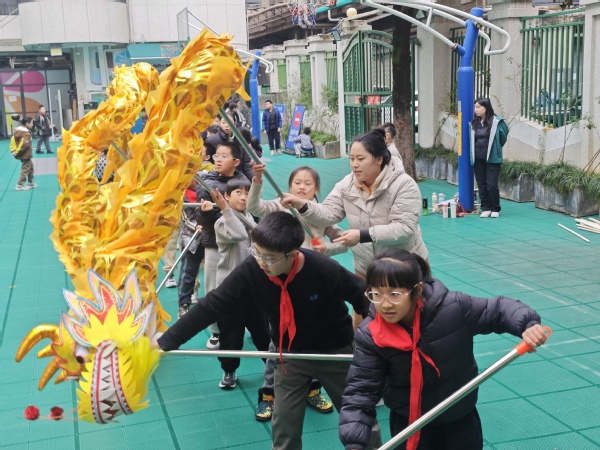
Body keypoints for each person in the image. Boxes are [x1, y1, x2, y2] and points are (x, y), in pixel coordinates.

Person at [154, 212, 370, 450]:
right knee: (284, 428)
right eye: (256, 252)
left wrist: (372, 341)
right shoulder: (253, 268)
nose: (261, 262)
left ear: (293, 254)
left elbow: (364, 298)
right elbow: (213, 304)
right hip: (289, 355)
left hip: (334, 352)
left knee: (359, 422)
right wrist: (167, 340)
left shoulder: (323, 268)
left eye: (269, 258)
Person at [339, 249, 548, 450]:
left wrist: (528, 325)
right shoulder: (372, 334)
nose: (385, 305)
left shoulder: (453, 308)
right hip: (409, 426)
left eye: (394, 294)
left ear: (417, 290)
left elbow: (498, 309)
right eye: (376, 294)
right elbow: (361, 390)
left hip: (459, 418)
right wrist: (354, 442)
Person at [281, 129, 428, 327]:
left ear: (378, 159)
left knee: (411, 319)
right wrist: (302, 205)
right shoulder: (347, 184)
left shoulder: (403, 185)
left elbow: (404, 228)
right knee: (363, 321)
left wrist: (362, 235)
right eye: (351, 158)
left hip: (403, 266)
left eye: (360, 158)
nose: (354, 164)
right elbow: (328, 213)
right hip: (365, 265)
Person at [248, 165, 347, 420]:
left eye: (307, 183)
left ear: (316, 189)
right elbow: (254, 208)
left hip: (313, 286)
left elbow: (342, 242)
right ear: (290, 185)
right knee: (278, 341)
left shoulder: (321, 213)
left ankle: (313, 389)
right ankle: (268, 394)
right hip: (282, 285)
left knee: (313, 339)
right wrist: (257, 179)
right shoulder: (281, 206)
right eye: (297, 183)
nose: (301, 187)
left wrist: (327, 249)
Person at [208, 178, 271, 390]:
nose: (243, 198)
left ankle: (272, 368)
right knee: (231, 336)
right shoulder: (221, 222)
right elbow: (239, 234)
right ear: (226, 196)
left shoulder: (251, 218)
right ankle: (229, 370)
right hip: (231, 291)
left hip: (254, 290)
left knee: (263, 333)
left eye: (247, 193)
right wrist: (225, 209)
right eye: (238, 193)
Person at [195, 141, 248, 348]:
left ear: (236, 161)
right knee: (213, 287)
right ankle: (215, 331)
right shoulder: (206, 182)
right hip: (214, 243)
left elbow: (250, 210)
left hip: (240, 245)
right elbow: (203, 216)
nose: (218, 159)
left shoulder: (243, 182)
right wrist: (210, 212)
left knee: (244, 286)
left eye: (224, 156)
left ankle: (247, 322)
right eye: (216, 155)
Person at [166, 143, 217, 294]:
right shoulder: (176, 168)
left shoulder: (208, 172)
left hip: (202, 222)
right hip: (179, 216)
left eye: (200, 151)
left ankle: (204, 291)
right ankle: (170, 272)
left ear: (206, 156)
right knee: (173, 242)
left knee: (203, 258)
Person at [470, 97, 509, 219]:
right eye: (475, 107)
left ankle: (495, 208)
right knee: (481, 184)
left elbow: (503, 136)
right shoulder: (474, 123)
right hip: (478, 159)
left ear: (486, 108)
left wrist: (496, 149)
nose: (476, 110)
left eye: (478, 107)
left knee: (492, 185)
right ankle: (485, 207)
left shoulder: (496, 122)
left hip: (492, 159)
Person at [205, 113, 253, 181]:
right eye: (223, 122)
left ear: (235, 123)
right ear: (220, 123)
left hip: (239, 178)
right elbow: (208, 163)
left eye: (229, 122)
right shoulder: (212, 140)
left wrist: (253, 180)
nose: (226, 125)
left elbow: (246, 164)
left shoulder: (240, 139)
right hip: (220, 179)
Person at [10, 115, 36, 190]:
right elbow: (24, 145)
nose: (32, 124)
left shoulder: (17, 131)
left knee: (31, 167)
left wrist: (13, 150)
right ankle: (19, 185)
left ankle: (30, 182)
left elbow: (12, 141)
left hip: (23, 154)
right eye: (31, 123)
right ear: (27, 124)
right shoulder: (26, 134)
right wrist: (17, 152)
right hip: (25, 155)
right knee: (25, 169)